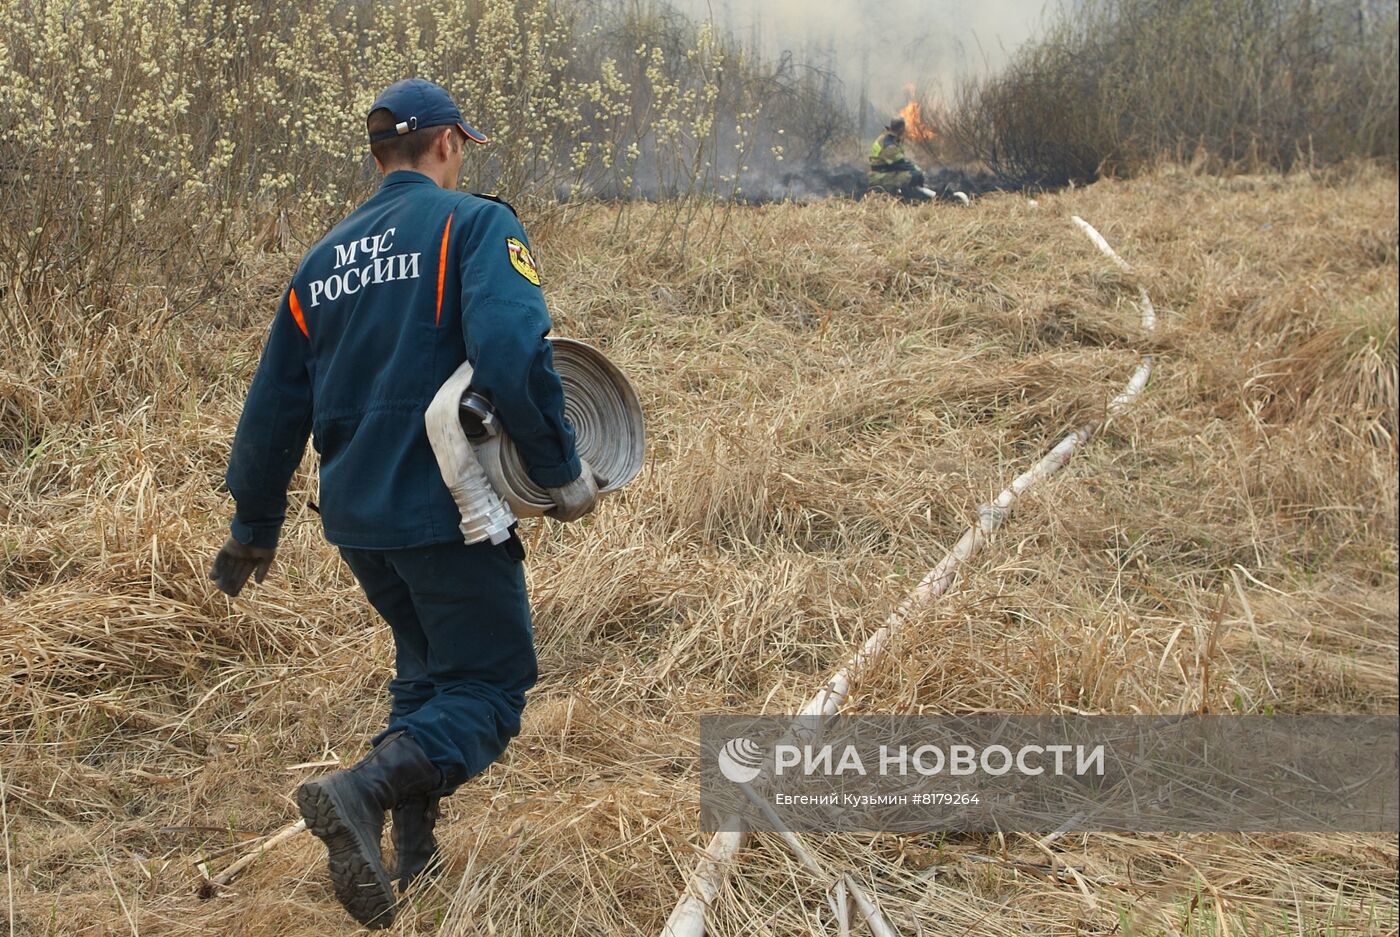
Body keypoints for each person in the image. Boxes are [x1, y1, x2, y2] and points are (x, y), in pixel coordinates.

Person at [208, 78, 603, 929]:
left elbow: (272, 406)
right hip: (445, 506)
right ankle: (364, 790)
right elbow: (511, 349)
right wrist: (561, 467)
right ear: (449, 145)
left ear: (380, 153)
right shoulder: (475, 224)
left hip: (358, 519)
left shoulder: (321, 263)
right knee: (491, 685)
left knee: (427, 668)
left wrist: (253, 526)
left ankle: (412, 856)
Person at [868, 116, 926, 195]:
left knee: (915, 174)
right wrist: (919, 171)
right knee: (914, 176)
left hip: (886, 170)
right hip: (879, 176)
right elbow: (901, 163)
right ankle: (905, 195)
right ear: (901, 129)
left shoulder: (888, 137)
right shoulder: (888, 144)